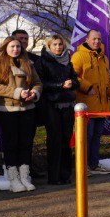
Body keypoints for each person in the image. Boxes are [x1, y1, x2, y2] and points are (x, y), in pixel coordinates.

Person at [0, 36, 43, 192]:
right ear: (6, 47)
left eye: (18, 47)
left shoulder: (28, 63)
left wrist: (34, 93)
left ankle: (25, 176)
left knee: (26, 143)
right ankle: (13, 178)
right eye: (12, 46)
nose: (15, 49)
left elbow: (38, 83)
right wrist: (17, 93)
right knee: (11, 143)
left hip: (28, 109)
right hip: (8, 110)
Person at [71, 29, 110, 175]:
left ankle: (94, 165)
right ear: (86, 40)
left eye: (99, 39)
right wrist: (88, 87)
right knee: (86, 138)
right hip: (85, 107)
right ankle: (82, 167)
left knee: (96, 138)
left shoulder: (104, 58)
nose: (96, 41)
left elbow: (108, 83)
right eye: (93, 39)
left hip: (102, 107)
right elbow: (72, 76)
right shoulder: (78, 56)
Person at [37, 35, 78, 185]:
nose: (58, 47)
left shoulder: (68, 61)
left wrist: (71, 83)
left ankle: (65, 175)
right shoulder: (42, 62)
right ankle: (54, 176)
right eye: (54, 44)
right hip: (51, 105)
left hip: (67, 104)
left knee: (66, 140)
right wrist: (61, 85)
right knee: (55, 140)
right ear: (49, 46)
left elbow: (76, 81)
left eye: (60, 44)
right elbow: (41, 84)